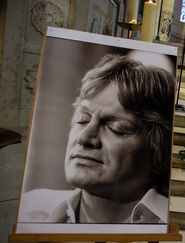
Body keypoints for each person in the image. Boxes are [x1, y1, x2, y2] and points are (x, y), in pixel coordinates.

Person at [19, 54, 175, 224]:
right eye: (82, 119)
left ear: (158, 153)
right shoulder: (31, 210)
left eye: (117, 128)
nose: (84, 137)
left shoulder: (172, 225)